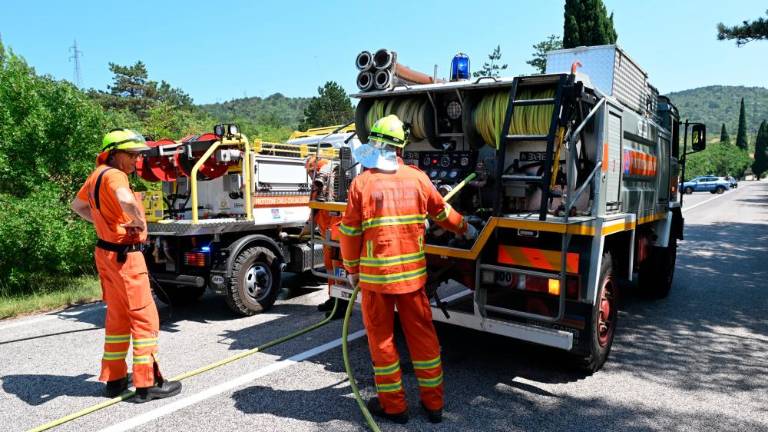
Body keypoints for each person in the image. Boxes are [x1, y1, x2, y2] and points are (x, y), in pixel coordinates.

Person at [339, 115, 478, 424]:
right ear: (401, 148)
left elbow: (348, 233)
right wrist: (466, 228)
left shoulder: (362, 184)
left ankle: (395, 408)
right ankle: (434, 407)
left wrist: (352, 269)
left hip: (376, 283)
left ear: (375, 144)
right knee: (424, 340)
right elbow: (443, 212)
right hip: (413, 282)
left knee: (384, 344)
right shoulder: (417, 179)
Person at [71, 128, 181, 402]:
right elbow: (124, 199)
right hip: (126, 257)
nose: (136, 161)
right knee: (145, 318)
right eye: (131, 155)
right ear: (115, 154)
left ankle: (115, 379)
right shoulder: (116, 175)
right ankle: (148, 384)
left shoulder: (95, 176)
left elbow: (77, 206)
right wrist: (138, 222)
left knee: (118, 317)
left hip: (106, 255)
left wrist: (103, 225)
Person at [304, 155, 347, 318]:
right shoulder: (333, 184)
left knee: (338, 269)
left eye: (311, 172)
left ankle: (341, 304)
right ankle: (333, 298)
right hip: (329, 235)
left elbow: (314, 212)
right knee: (331, 268)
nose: (310, 177)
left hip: (335, 234)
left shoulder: (324, 185)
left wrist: (305, 230)